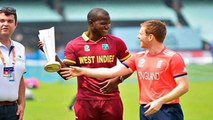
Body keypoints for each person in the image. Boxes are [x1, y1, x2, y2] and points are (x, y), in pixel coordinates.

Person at [61, 20, 190, 120]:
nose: (138, 36)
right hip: (145, 109)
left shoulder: (173, 57)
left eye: (141, 33)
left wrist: (160, 101)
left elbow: (184, 86)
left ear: (150, 37)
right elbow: (112, 72)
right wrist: (82, 71)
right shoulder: (138, 58)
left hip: (167, 110)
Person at [38, 8, 131, 120]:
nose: (107, 26)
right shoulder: (74, 45)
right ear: (91, 23)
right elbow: (66, 75)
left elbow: (131, 65)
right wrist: (51, 55)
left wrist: (118, 80)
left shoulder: (117, 42)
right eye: (103, 23)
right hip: (86, 101)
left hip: (111, 99)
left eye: (109, 23)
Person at [0, 7, 26, 120]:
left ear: (15, 24)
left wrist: (22, 103)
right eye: (1, 21)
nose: (5, 24)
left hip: (13, 109)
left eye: (10, 21)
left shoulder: (20, 48)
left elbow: (20, 79)